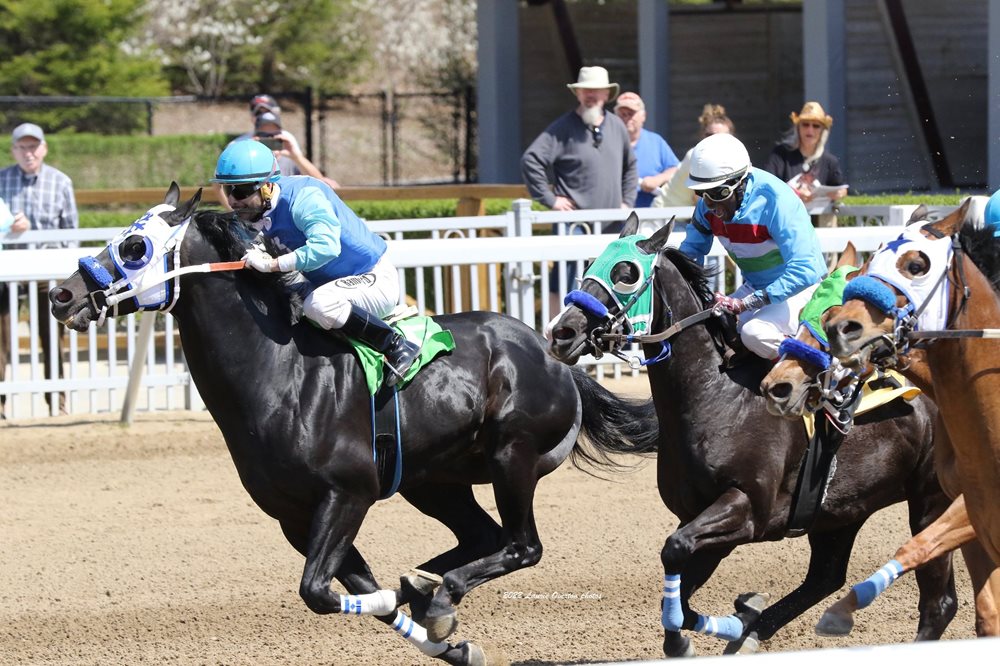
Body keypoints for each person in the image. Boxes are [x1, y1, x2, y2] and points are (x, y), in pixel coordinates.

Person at [210, 140, 418, 387]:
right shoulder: (252, 212)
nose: (233, 200)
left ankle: (396, 345)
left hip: (371, 277)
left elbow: (327, 247)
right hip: (327, 284)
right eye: (227, 189)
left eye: (241, 191)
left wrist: (273, 264)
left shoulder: (304, 197)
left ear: (266, 187)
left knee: (318, 305)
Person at [678, 133, 827, 360]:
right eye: (702, 193)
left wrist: (746, 303)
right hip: (756, 287)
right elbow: (690, 254)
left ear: (741, 181)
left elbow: (807, 270)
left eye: (719, 193)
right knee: (705, 329)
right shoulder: (707, 206)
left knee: (755, 333)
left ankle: (823, 369)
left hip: (801, 291)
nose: (709, 204)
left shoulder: (776, 199)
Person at [520, 65, 637, 312]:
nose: (591, 95)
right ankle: (555, 338)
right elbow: (531, 160)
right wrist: (551, 200)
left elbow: (631, 167)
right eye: (586, 90)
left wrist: (626, 201)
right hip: (575, 226)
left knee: (610, 283)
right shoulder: (562, 127)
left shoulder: (617, 126)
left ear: (607, 94)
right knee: (565, 283)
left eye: (597, 90)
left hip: (612, 227)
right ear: (578, 94)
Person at [0, 123, 78, 415]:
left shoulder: (61, 182)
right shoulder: (1, 179)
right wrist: (10, 229)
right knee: (0, 336)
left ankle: (57, 403)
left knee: (53, 333)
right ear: (14, 150)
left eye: (33, 146)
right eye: (22, 147)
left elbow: (70, 233)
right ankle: (1, 403)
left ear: (43, 149)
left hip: (47, 268)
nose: (28, 152)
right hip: (6, 267)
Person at [763, 101, 847, 226]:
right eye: (805, 125)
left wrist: (839, 193)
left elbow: (841, 188)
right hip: (786, 222)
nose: (810, 130)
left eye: (816, 126)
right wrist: (795, 194)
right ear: (798, 128)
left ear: (823, 131)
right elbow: (767, 183)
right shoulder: (780, 154)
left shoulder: (830, 161)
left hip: (821, 222)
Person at [653, 104, 735, 209]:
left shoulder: (733, 158)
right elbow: (699, 199)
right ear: (702, 135)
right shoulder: (696, 156)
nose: (714, 139)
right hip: (665, 215)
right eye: (709, 135)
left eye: (721, 136)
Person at [614, 92, 679, 208]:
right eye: (623, 114)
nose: (627, 118)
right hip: (615, 215)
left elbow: (675, 169)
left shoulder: (655, 141)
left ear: (643, 116)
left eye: (631, 113)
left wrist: (657, 180)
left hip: (651, 215)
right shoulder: (608, 143)